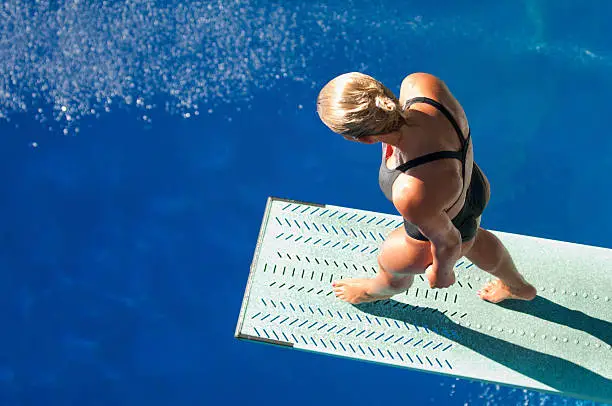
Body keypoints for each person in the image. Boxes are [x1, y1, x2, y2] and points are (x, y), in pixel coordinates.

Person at [316, 72, 537, 304]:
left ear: (363, 140)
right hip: (471, 187)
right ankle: (519, 287)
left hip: (441, 218)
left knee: (391, 266)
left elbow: (449, 242)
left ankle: (376, 291)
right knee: (474, 237)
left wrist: (442, 273)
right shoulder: (422, 85)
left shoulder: (410, 191)